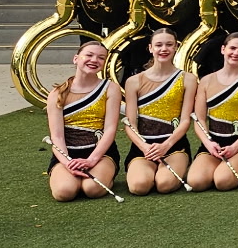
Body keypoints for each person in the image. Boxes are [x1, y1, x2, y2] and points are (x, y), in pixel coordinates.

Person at [45, 38, 122, 202]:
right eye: (89, 55)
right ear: (76, 58)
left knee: (92, 189)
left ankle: (103, 174)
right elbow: (57, 137)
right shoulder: (57, 94)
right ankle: (69, 176)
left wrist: (91, 160)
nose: (94, 60)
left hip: (100, 154)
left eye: (101, 58)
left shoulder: (110, 88)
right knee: (64, 192)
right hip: (67, 154)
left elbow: (110, 129)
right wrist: (67, 163)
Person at [122, 27, 195, 195]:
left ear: (176, 47)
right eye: (159, 45)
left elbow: (185, 120)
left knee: (164, 185)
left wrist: (166, 145)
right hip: (143, 147)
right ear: (150, 48)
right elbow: (130, 122)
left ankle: (180, 164)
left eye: (169, 45)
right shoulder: (133, 81)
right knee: (139, 187)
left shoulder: (188, 79)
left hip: (175, 145)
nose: (164, 49)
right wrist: (144, 147)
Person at [187, 30, 238, 191]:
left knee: (222, 182)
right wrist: (208, 143)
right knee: (196, 182)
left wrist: (236, 146)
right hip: (213, 143)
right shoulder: (206, 81)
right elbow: (199, 119)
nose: (236, 53)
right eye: (232, 48)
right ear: (223, 49)